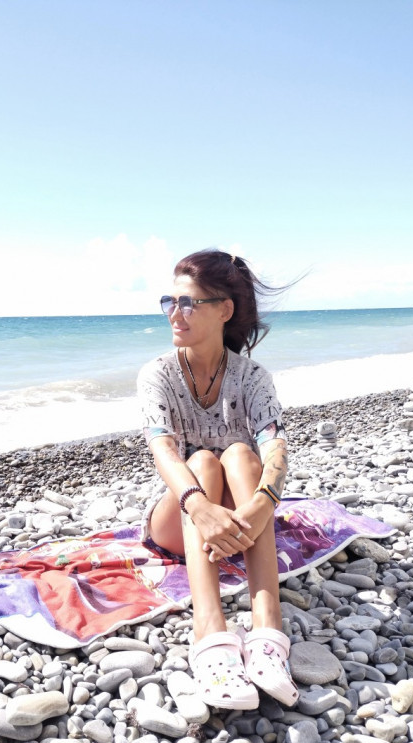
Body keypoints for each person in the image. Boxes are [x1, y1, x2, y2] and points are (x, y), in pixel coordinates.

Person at [137, 249, 298, 710]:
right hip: (179, 517)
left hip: (241, 521)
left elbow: (275, 448)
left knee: (243, 455)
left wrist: (263, 505)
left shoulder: (253, 378)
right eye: (170, 301)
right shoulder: (158, 374)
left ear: (224, 310)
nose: (175, 313)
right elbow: (163, 450)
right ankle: (209, 631)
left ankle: (267, 628)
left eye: (188, 303)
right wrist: (200, 506)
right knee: (204, 461)